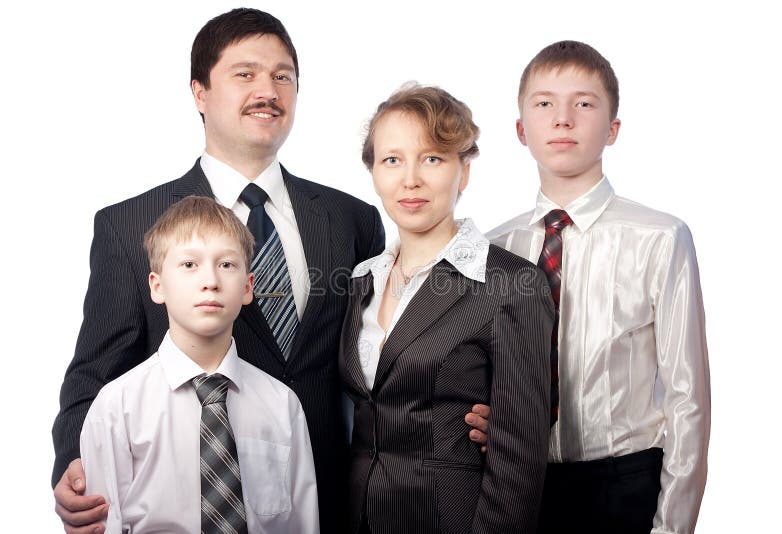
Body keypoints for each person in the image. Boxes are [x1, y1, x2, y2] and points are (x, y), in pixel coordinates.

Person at [52, 8, 489, 533]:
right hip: (196, 496)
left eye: (283, 76)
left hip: (341, 501)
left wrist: (469, 405)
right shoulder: (131, 224)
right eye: (245, 74)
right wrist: (73, 469)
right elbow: (93, 374)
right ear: (199, 93)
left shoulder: (351, 218)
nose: (269, 90)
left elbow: (390, 351)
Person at [488, 40, 711, 534]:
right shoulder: (492, 248)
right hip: (519, 487)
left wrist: (672, 526)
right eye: (544, 103)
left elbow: (687, 397)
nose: (563, 118)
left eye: (583, 103)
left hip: (624, 485)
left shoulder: (659, 238)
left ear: (612, 129)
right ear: (522, 130)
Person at [340, 84, 553, 534]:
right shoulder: (362, 280)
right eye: (392, 160)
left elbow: (519, 463)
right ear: (374, 172)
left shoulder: (510, 284)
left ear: (464, 172)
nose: (410, 178)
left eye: (432, 158)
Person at [80, 196, 318, 533]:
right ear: (157, 285)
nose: (210, 280)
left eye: (226, 265)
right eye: (189, 264)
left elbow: (302, 524)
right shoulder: (117, 407)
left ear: (248, 287)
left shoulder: (282, 405)